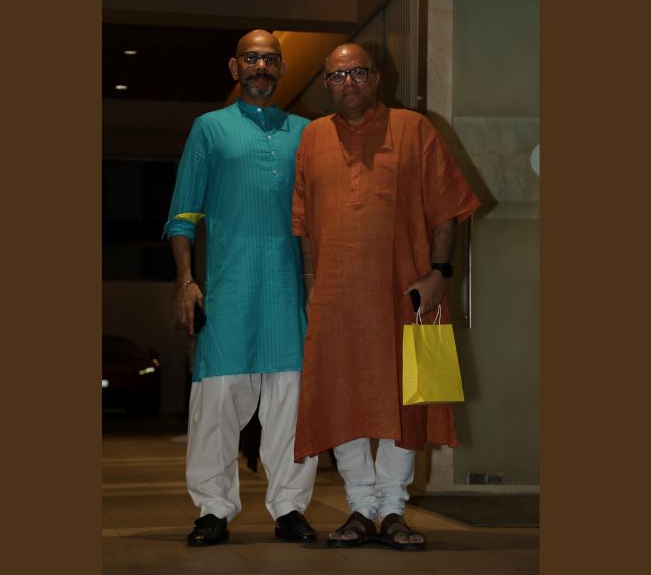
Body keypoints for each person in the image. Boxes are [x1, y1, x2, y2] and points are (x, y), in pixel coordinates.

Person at [291, 43, 481, 550]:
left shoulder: (414, 128)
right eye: (337, 76)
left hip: (407, 293)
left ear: (377, 77)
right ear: (325, 84)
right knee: (342, 395)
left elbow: (447, 209)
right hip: (336, 297)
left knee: (407, 396)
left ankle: (393, 508)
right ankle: (360, 507)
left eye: (358, 72)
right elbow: (304, 222)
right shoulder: (312, 137)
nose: (348, 83)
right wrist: (312, 287)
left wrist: (439, 274)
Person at [164, 29, 318, 547]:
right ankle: (213, 509)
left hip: (289, 291)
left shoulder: (307, 132)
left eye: (270, 59)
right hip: (228, 290)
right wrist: (186, 281)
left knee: (291, 404)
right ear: (235, 68)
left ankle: (290, 508)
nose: (261, 67)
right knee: (216, 402)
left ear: (281, 69)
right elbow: (184, 213)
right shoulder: (209, 128)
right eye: (251, 58)